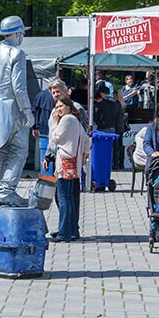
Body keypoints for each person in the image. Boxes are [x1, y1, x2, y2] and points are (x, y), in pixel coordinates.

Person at [0, 16, 35, 207]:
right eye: (22, 34)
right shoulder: (16, 54)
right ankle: (7, 191)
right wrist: (27, 112)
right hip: (12, 111)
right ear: (17, 34)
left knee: (0, 153)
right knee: (19, 151)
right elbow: (19, 87)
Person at [44, 95, 90, 242]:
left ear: (69, 106)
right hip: (73, 163)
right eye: (56, 107)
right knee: (69, 198)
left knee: (64, 198)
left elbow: (55, 138)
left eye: (61, 106)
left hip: (64, 162)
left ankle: (64, 233)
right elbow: (87, 141)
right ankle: (71, 231)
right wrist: (82, 156)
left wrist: (55, 123)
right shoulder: (76, 121)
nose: (58, 110)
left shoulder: (65, 119)